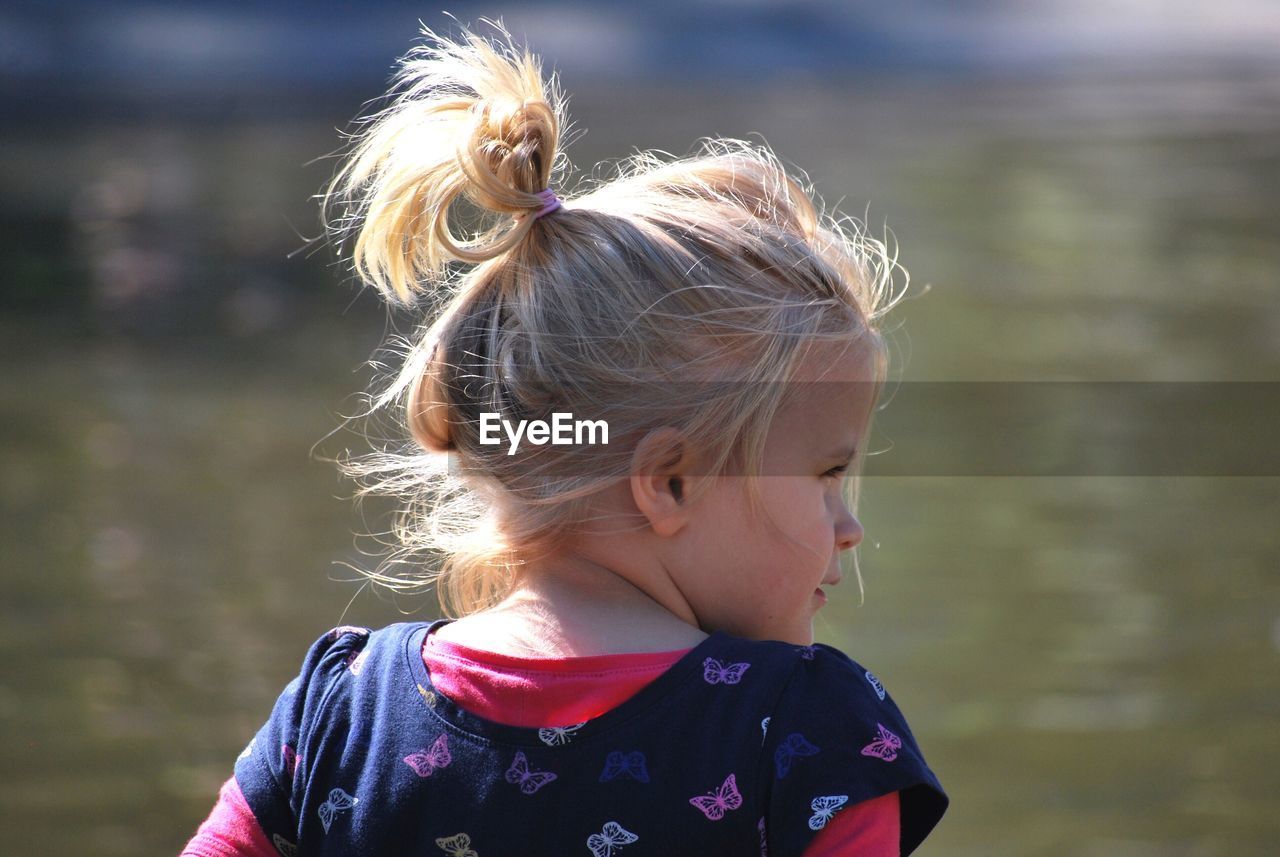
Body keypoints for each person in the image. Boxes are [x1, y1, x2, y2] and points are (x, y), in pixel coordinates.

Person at [182, 19, 947, 857]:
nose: (850, 525)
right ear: (672, 482)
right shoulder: (803, 734)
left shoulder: (341, 708)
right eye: (826, 474)